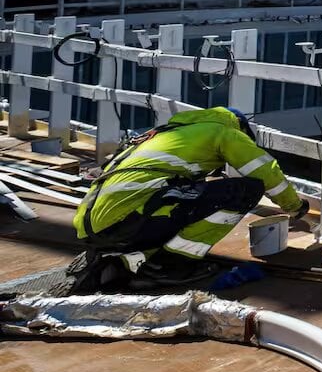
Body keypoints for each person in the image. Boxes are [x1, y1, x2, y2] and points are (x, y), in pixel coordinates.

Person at [71, 106, 306, 288]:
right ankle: (169, 266)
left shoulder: (161, 134)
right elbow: (266, 173)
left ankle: (123, 258)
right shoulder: (223, 132)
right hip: (128, 220)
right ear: (240, 128)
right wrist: (295, 206)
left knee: (185, 196)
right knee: (245, 190)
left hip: (92, 227)